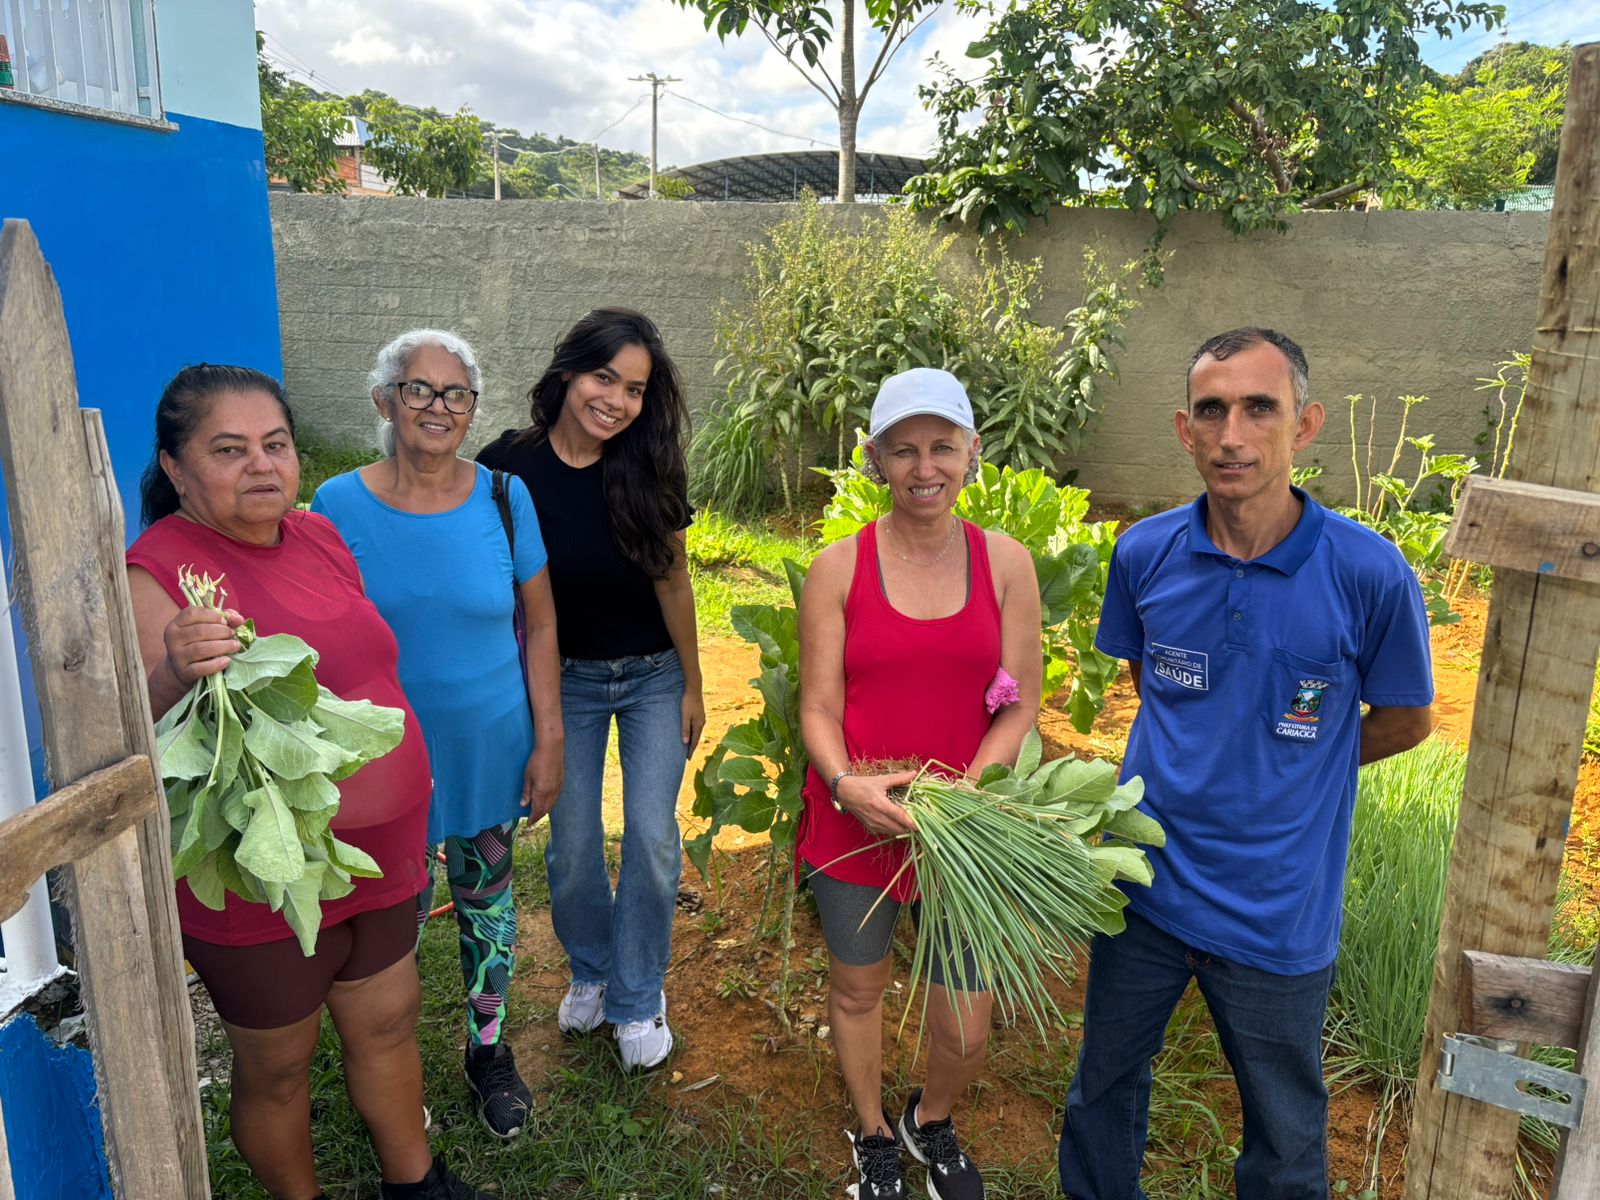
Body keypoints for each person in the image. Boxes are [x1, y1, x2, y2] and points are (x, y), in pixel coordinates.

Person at [1058, 328, 1435, 1200]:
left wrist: (1303, 769)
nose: (1232, 434)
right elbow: (1150, 679)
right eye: (1212, 410)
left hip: (1277, 910)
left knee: (1286, 1131)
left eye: (1258, 408)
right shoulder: (1143, 553)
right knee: (1104, 1088)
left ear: (1303, 427)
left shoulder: (1370, 575)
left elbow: (1408, 720)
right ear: (1184, 430)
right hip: (1143, 889)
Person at [127, 364, 494, 1200]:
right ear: (177, 468)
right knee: (281, 1069)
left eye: (275, 444)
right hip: (269, 870)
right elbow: (141, 739)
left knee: (391, 1024)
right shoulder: (161, 571)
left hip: (380, 853)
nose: (262, 465)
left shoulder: (319, 536)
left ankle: (417, 1183)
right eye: (229, 449)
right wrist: (171, 675)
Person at [796, 367, 1042, 1200]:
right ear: (875, 459)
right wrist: (843, 786)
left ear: (973, 453)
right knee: (858, 987)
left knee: (965, 1021)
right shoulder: (837, 568)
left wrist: (968, 796)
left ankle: (929, 1118)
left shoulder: (1006, 565)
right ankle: (871, 1131)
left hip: (968, 827)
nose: (923, 466)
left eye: (942, 446)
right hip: (856, 818)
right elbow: (820, 708)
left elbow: (1022, 704)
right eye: (903, 449)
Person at [311, 330, 564, 1139]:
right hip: (381, 759)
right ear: (385, 399)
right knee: (392, 924)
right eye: (418, 389)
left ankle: (487, 1052)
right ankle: (394, 1063)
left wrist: (549, 736)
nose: (437, 407)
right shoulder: (336, 504)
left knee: (487, 908)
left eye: (456, 394)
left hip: (489, 744)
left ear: (472, 410)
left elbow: (542, 618)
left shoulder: (503, 495)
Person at [477, 307, 703, 1072]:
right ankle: (594, 971)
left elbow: (674, 582)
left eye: (635, 389)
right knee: (572, 849)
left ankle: (639, 995)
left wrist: (693, 687)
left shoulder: (647, 465)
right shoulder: (508, 469)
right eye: (604, 377)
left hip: (650, 676)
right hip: (562, 682)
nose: (617, 400)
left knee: (649, 836)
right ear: (568, 372)